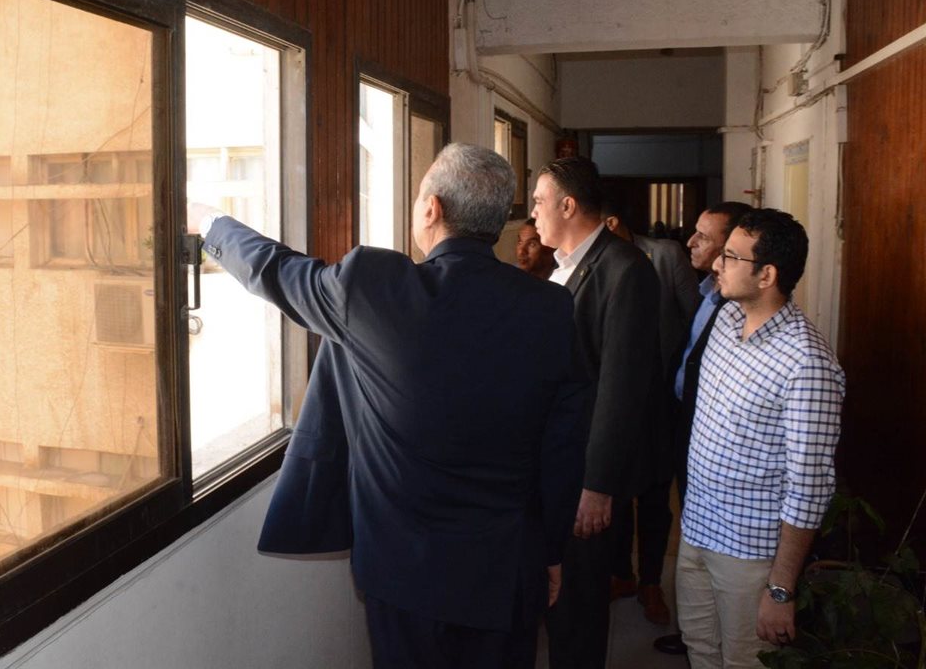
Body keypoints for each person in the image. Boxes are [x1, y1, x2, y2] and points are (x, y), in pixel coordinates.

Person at [190, 143, 588, 668]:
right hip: (505, 569)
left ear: (432, 209)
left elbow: (276, 270)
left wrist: (210, 223)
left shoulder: (372, 287)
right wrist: (552, 551)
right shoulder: (550, 308)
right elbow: (564, 448)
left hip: (404, 574)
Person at [677, 209, 844, 669]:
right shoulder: (726, 319)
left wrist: (780, 588)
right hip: (696, 529)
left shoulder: (806, 363)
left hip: (749, 556)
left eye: (731, 256)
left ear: (767, 275)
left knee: (744, 662)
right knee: (700, 649)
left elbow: (809, 489)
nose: (717, 263)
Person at [530, 157, 662, 669]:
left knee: (580, 601)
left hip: (586, 471)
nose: (533, 214)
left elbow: (622, 388)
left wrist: (598, 486)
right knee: (559, 593)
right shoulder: (564, 265)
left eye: (539, 202)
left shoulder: (625, 269)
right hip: (558, 459)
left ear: (568, 205)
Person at [653, 200, 753, 656]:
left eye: (704, 236)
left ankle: (713, 633)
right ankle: (699, 630)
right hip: (684, 423)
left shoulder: (738, 307)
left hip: (708, 436)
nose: (690, 241)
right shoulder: (709, 293)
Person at [602, 200, 700, 626]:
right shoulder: (596, 263)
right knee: (618, 495)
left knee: (656, 498)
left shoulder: (664, 254)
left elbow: (694, 321)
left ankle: (651, 582)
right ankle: (622, 574)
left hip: (661, 398)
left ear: (611, 222)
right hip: (619, 400)